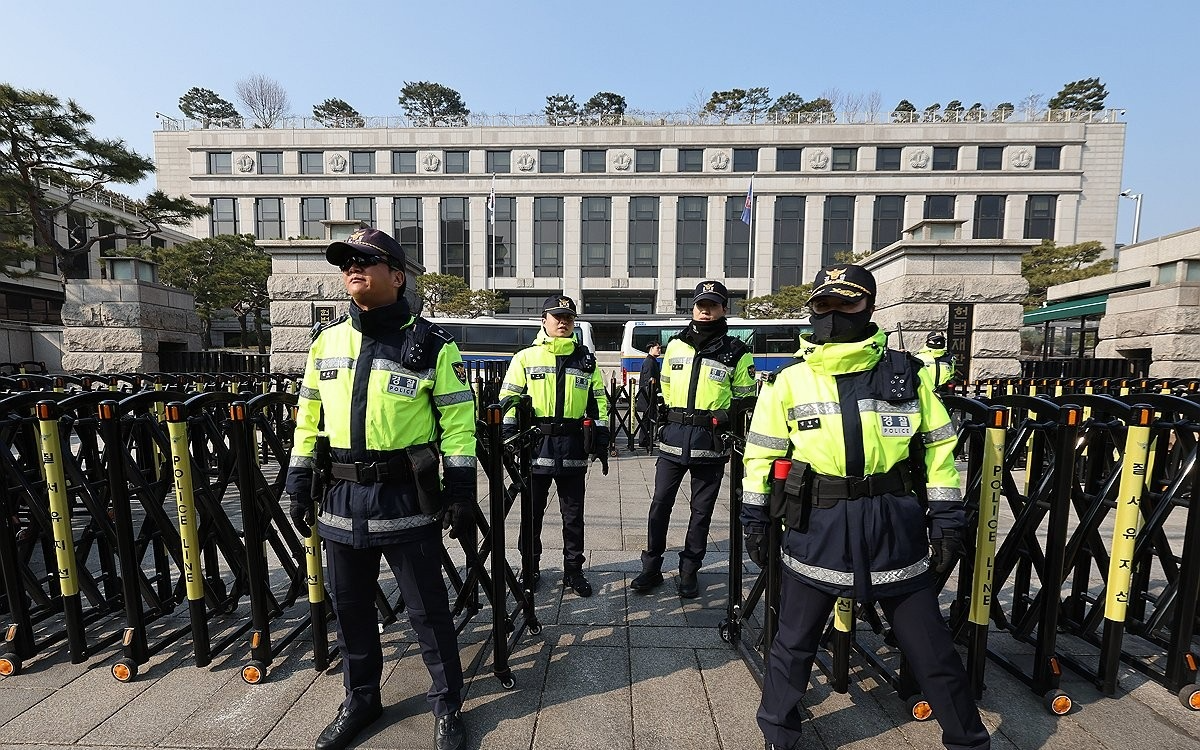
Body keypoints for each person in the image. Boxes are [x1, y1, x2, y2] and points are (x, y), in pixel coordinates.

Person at [740, 263, 989, 750]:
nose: (833, 315)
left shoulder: (907, 375)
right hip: (818, 524)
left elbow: (939, 451)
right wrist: (754, 519)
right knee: (792, 646)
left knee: (933, 650)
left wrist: (947, 522)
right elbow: (760, 456)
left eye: (846, 303)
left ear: (869, 307)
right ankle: (778, 738)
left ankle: (968, 741)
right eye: (823, 306)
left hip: (894, 524)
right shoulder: (789, 381)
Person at [284, 228, 474, 750]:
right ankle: (362, 699)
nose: (353, 267)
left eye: (368, 259)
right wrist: (299, 482)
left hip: (405, 497)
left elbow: (459, 422)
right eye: (346, 260)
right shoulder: (326, 341)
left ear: (397, 275)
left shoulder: (434, 345)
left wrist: (459, 490)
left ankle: (448, 706)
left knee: (428, 612)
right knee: (351, 611)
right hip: (341, 498)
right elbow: (308, 417)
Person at [630, 280, 756, 598]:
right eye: (701, 303)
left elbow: (745, 400)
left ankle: (689, 570)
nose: (705, 309)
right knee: (659, 505)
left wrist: (723, 422)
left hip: (710, 444)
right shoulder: (675, 346)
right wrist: (666, 420)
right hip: (673, 440)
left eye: (712, 304)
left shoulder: (737, 352)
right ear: (693, 307)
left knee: (701, 513)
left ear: (723, 309)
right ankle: (651, 567)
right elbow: (667, 390)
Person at [499, 294, 609, 597]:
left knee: (573, 515)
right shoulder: (525, 357)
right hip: (535, 446)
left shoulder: (586, 360)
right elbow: (508, 398)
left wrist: (601, 438)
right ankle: (530, 568)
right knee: (531, 515)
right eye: (557, 316)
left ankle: (574, 570)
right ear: (543, 320)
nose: (563, 322)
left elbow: (599, 401)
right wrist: (510, 436)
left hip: (573, 444)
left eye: (569, 317)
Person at [635, 341, 663, 450]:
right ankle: (644, 440)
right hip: (648, 397)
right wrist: (652, 396)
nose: (659, 350)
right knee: (647, 418)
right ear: (651, 349)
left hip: (650, 396)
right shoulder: (649, 362)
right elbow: (649, 381)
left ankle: (646, 439)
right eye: (657, 348)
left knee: (648, 418)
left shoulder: (652, 361)